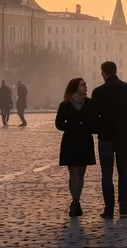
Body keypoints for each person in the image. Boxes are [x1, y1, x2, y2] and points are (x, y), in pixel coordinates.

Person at [91, 60, 127, 218]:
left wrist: (99, 127)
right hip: (123, 135)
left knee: (107, 173)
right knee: (124, 171)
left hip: (105, 137)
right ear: (116, 70)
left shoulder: (98, 92)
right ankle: (123, 206)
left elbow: (92, 115)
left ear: (103, 73)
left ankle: (109, 208)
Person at [56, 77, 97, 217]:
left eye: (85, 85)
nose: (85, 87)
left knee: (81, 173)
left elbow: (94, 121)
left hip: (85, 140)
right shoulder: (65, 104)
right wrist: (73, 127)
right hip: (71, 141)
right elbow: (59, 124)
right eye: (82, 85)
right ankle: (75, 201)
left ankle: (76, 201)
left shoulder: (90, 103)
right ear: (75, 88)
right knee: (73, 173)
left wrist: (87, 126)